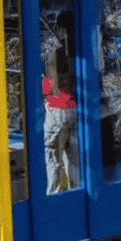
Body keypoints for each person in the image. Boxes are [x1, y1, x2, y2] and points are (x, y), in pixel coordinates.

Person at [42, 42, 79, 193]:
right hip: (76, 109)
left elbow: (46, 89)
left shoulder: (52, 59)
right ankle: (76, 191)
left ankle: (55, 195)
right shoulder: (76, 57)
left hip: (57, 110)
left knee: (53, 158)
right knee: (74, 159)